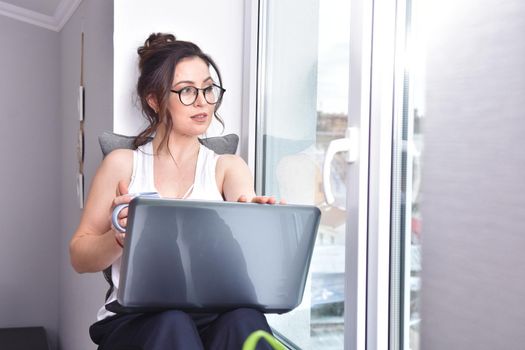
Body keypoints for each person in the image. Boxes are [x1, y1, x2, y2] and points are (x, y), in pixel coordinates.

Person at [70, 32, 279, 350]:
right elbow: (79, 256)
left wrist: (253, 214)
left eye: (209, 89)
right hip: (136, 318)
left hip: (213, 314)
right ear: (154, 100)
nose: (203, 102)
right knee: (173, 321)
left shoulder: (228, 167)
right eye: (186, 91)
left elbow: (243, 199)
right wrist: (118, 237)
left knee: (246, 321)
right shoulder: (122, 164)